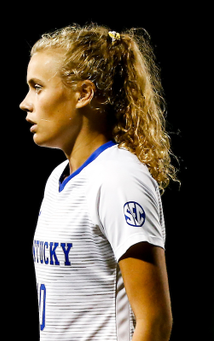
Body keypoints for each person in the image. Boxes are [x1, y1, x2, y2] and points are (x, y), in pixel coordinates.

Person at [19, 24, 177, 341]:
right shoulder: (56, 179)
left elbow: (155, 323)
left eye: (38, 87)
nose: (26, 102)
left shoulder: (118, 179)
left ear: (83, 94)